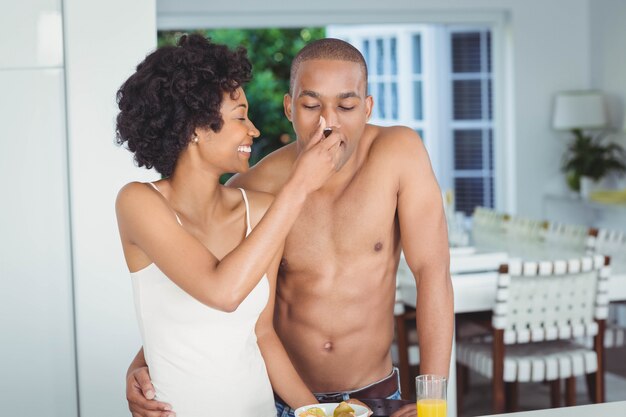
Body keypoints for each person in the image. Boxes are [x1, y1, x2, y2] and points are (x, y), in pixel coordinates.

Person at [126, 38, 454, 417]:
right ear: (289, 107)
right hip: (282, 399)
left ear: (367, 109)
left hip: (375, 393)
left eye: (346, 106)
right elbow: (204, 293)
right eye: (311, 105)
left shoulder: (399, 153)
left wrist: (434, 402)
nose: (327, 122)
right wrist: (143, 365)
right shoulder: (252, 191)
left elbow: (433, 274)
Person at [115, 34, 345, 417]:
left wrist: (316, 412)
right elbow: (223, 293)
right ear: (194, 128)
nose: (253, 130)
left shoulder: (263, 210)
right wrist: (300, 185)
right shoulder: (139, 203)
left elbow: (262, 333)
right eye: (240, 116)